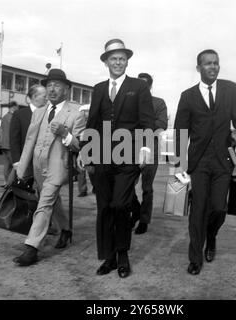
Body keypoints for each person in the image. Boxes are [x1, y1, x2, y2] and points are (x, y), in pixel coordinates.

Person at [77, 39, 155, 278]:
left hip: (128, 155)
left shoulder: (138, 87)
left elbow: (147, 121)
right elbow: (93, 123)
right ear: (106, 62)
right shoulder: (99, 88)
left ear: (127, 61)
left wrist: (145, 148)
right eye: (113, 58)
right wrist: (86, 151)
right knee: (104, 208)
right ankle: (109, 257)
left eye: (122, 58)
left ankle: (122, 254)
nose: (118, 62)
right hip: (101, 157)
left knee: (120, 205)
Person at [174, 49, 236, 275]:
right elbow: (181, 131)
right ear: (198, 68)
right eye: (208, 64)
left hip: (223, 160)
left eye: (216, 63)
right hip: (198, 162)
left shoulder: (230, 89)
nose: (213, 67)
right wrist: (179, 163)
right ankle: (195, 257)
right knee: (198, 210)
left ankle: (212, 236)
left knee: (218, 208)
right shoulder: (187, 96)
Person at [13, 69, 85, 266]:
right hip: (38, 165)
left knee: (44, 203)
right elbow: (30, 141)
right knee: (53, 201)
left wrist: (65, 133)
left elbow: (80, 144)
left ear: (66, 90)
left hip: (58, 166)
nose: (52, 89)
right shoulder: (39, 112)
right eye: (49, 85)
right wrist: (21, 168)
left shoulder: (75, 114)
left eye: (57, 85)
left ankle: (32, 247)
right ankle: (66, 229)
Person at [131, 72, 168, 234]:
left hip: (150, 148)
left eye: (144, 85)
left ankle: (144, 220)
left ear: (150, 86)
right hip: (129, 147)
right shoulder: (129, 102)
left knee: (147, 187)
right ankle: (136, 210)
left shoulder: (159, 103)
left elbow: (162, 123)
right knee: (126, 184)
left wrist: (142, 124)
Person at [10, 84, 47, 183]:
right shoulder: (19, 114)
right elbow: (14, 139)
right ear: (35, 97)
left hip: (43, 164)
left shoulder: (47, 114)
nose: (46, 99)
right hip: (25, 163)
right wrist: (17, 161)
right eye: (44, 96)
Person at [77, 105, 95, 197]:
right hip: (80, 146)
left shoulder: (95, 121)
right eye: (84, 112)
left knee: (91, 169)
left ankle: (96, 186)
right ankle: (82, 190)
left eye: (87, 111)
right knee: (80, 170)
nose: (85, 114)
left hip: (91, 148)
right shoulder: (79, 122)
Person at [0, 101, 18, 187]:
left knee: (6, 165)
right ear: (14, 107)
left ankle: (5, 181)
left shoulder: (4, 117)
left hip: (4, 144)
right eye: (17, 107)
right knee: (14, 165)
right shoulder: (13, 117)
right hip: (11, 144)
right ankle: (10, 183)